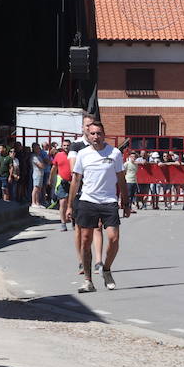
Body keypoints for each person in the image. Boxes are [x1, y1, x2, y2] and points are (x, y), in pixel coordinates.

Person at [67, 120, 130, 294]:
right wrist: (70, 206)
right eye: (93, 133)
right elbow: (76, 180)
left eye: (99, 133)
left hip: (109, 201)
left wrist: (126, 202)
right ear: (88, 135)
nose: (96, 137)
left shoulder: (115, 153)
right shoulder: (83, 154)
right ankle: (88, 281)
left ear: (104, 135)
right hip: (88, 201)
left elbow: (122, 179)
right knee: (86, 239)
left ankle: (106, 268)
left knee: (113, 238)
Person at [53, 142, 74, 230]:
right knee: (63, 202)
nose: (66, 147)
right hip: (62, 181)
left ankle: (74, 221)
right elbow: (54, 168)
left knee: (73, 203)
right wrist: (50, 179)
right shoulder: (58, 155)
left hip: (73, 182)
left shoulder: (74, 155)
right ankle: (63, 223)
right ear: (62, 146)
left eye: (68, 145)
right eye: (64, 145)